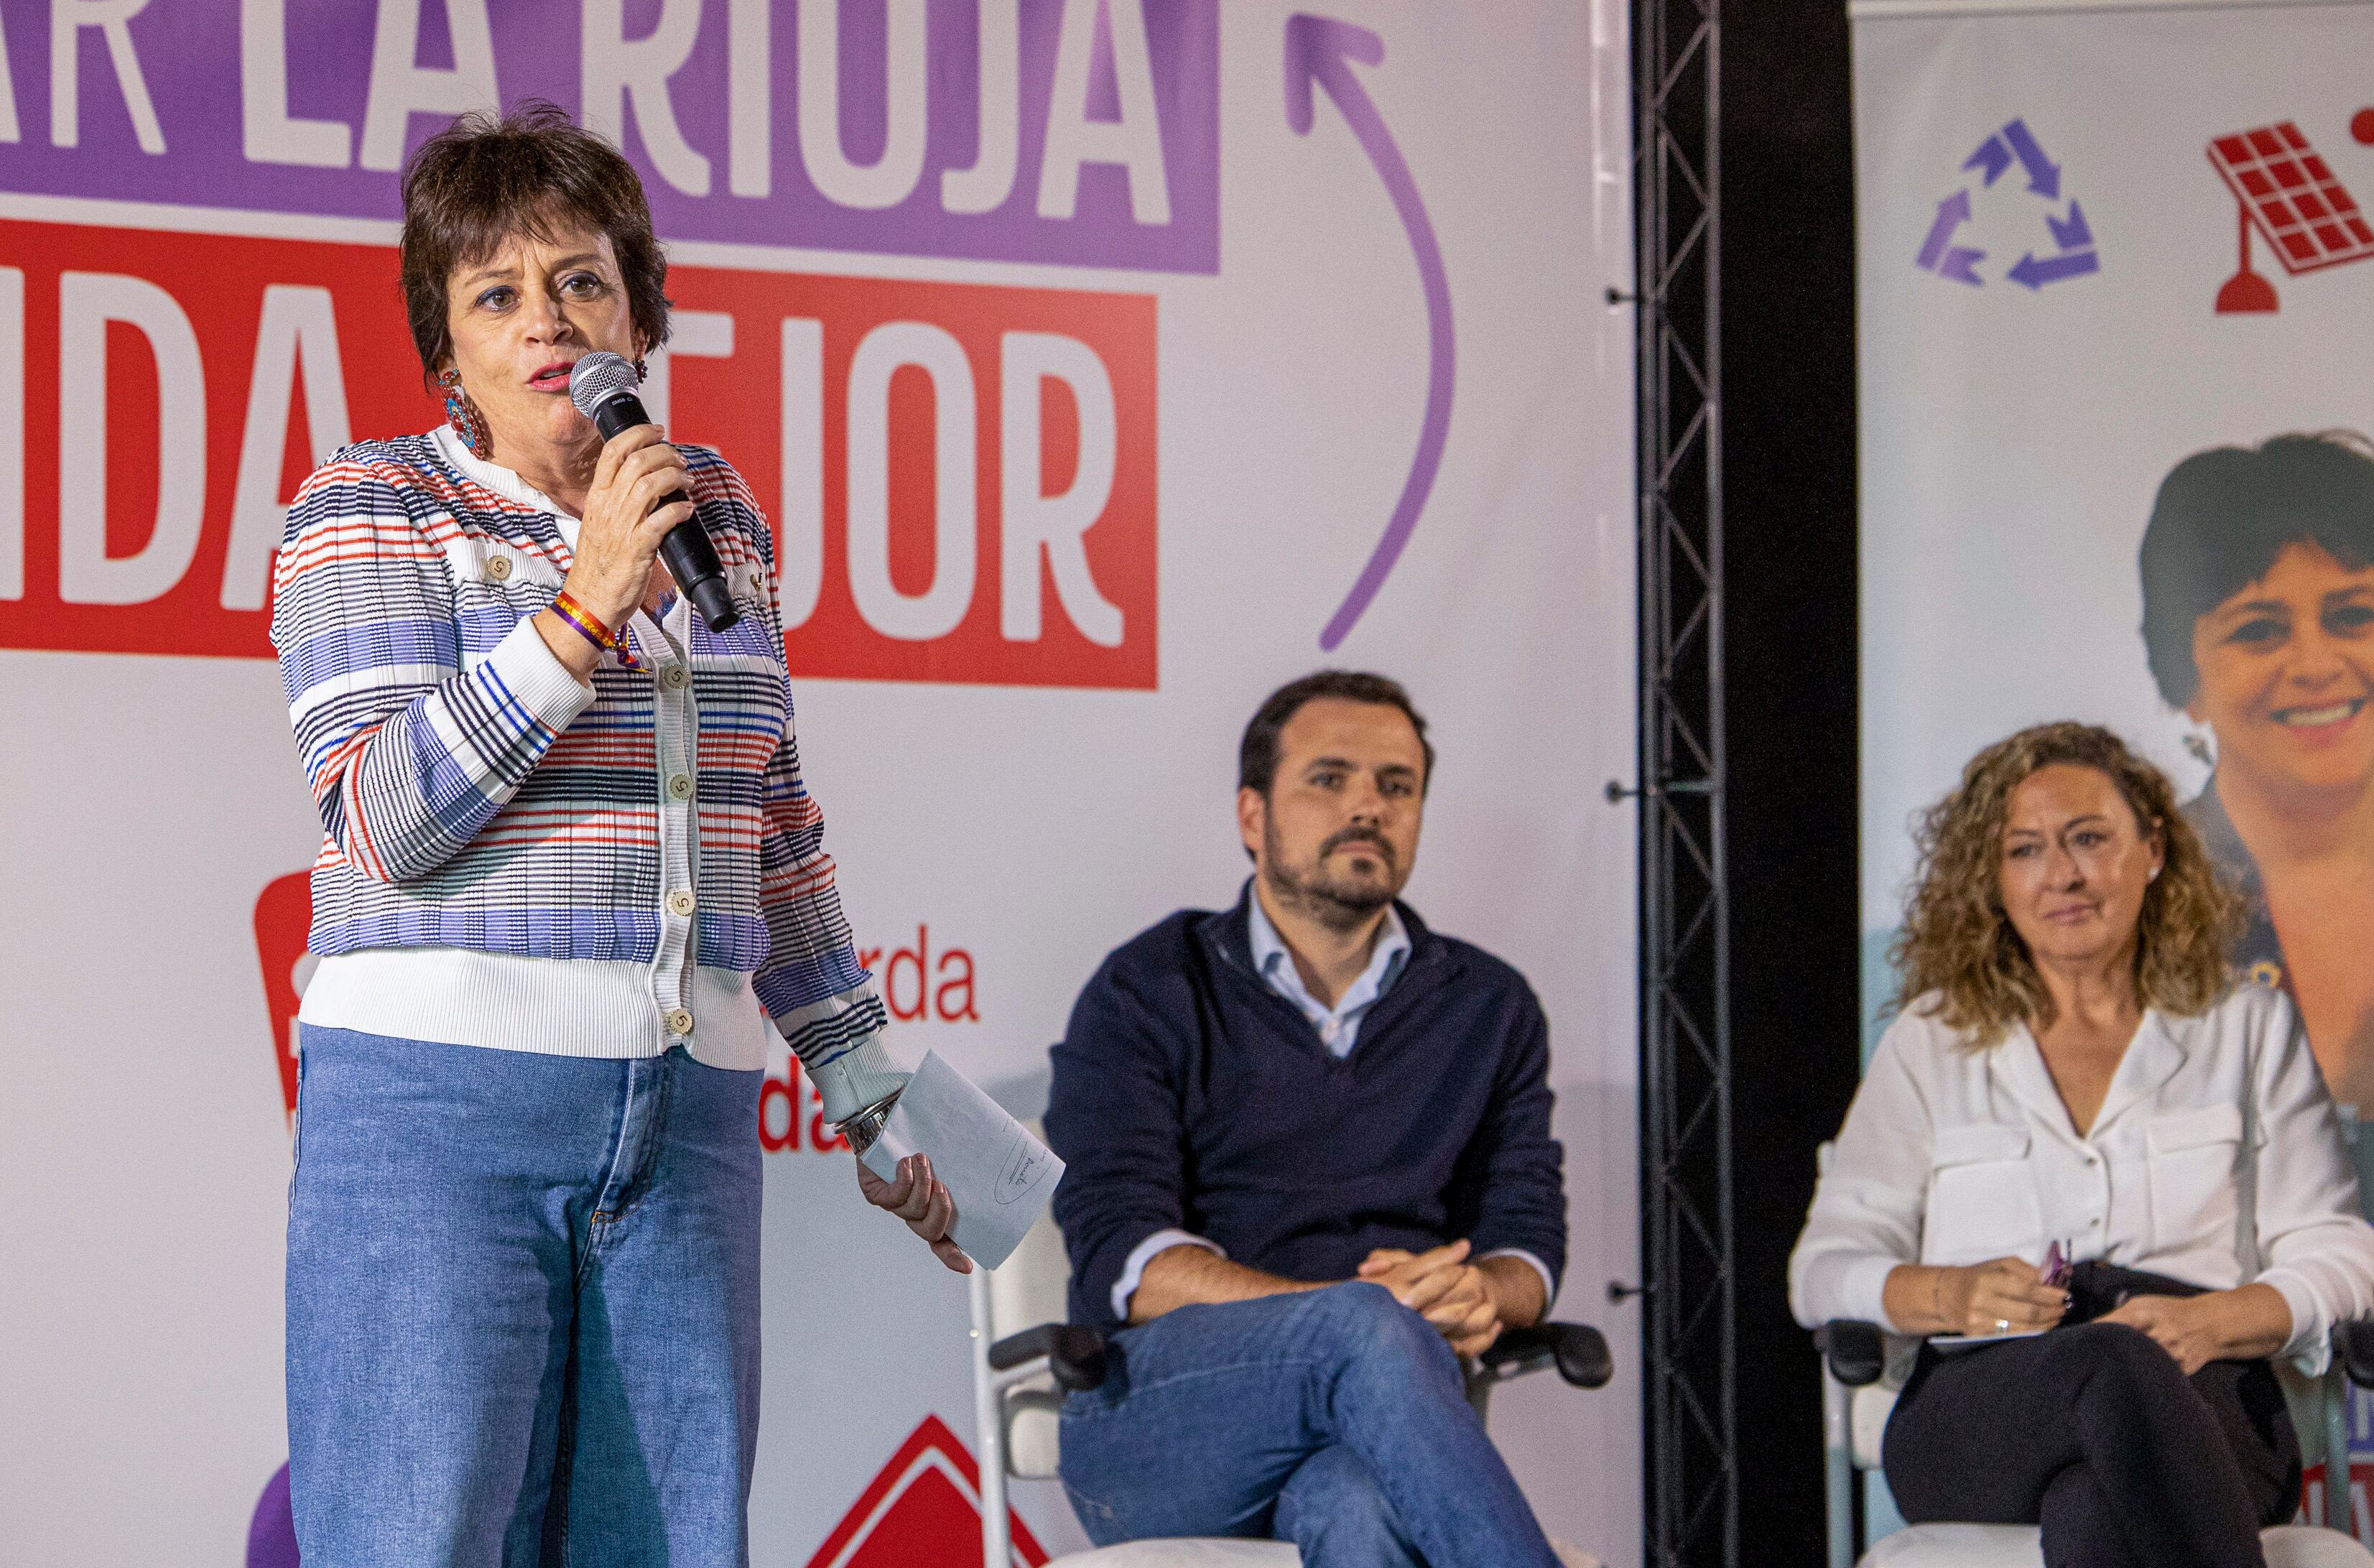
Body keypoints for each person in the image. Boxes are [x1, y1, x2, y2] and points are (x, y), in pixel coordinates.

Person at [269, 105, 960, 1567]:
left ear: (637, 317)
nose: (546, 321)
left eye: (581, 281)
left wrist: (866, 1087)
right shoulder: (368, 505)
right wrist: (581, 609)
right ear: (446, 348)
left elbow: (767, 817)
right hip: (437, 1119)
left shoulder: (714, 513)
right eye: (495, 295)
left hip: (684, 1127)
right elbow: (385, 818)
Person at [1791, 721, 2374, 1568]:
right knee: (2109, 1363)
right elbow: (1821, 1269)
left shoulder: (2245, 1027)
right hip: (1986, 1401)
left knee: (2098, 1508)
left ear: (2151, 849)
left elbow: (2340, 1255)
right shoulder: (1930, 1040)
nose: (2060, 873)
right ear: (1992, 879)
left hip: (2203, 1392)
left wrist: (2212, 1319)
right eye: (2023, 849)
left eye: (2087, 838)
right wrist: (1949, 1291)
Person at [1044, 671, 1570, 1568]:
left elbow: (1526, 1241)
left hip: (1372, 1429)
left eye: (1396, 786)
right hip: (1158, 1423)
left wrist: (1479, 1291)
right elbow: (1123, 1256)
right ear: (1251, 815)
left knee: (1358, 1509)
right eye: (1329, 778)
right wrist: (1363, 1315)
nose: (1367, 806)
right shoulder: (1149, 987)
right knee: (1363, 1325)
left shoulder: (1488, 1005)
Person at [2140, 432, 2374, 1118]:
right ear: (2184, 678)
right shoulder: (2119, 907)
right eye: (2257, 630)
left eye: (2352, 617)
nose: (2315, 665)